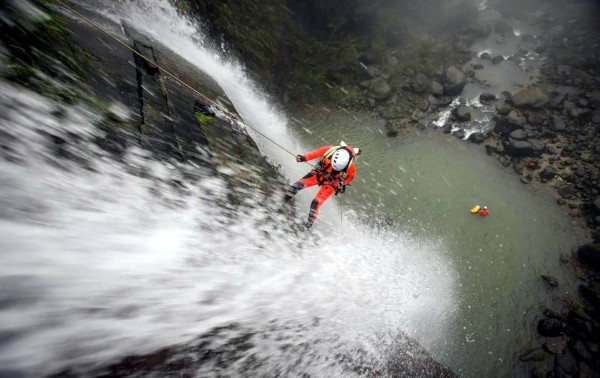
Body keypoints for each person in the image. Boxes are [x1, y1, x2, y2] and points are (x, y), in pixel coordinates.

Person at [284, 141, 361, 228]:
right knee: (296, 187)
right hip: (319, 174)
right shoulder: (329, 150)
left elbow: (350, 176)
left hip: (331, 183)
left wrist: (343, 183)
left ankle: (307, 226)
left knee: (315, 203)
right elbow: (315, 153)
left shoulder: (351, 166)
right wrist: (303, 158)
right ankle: (282, 202)